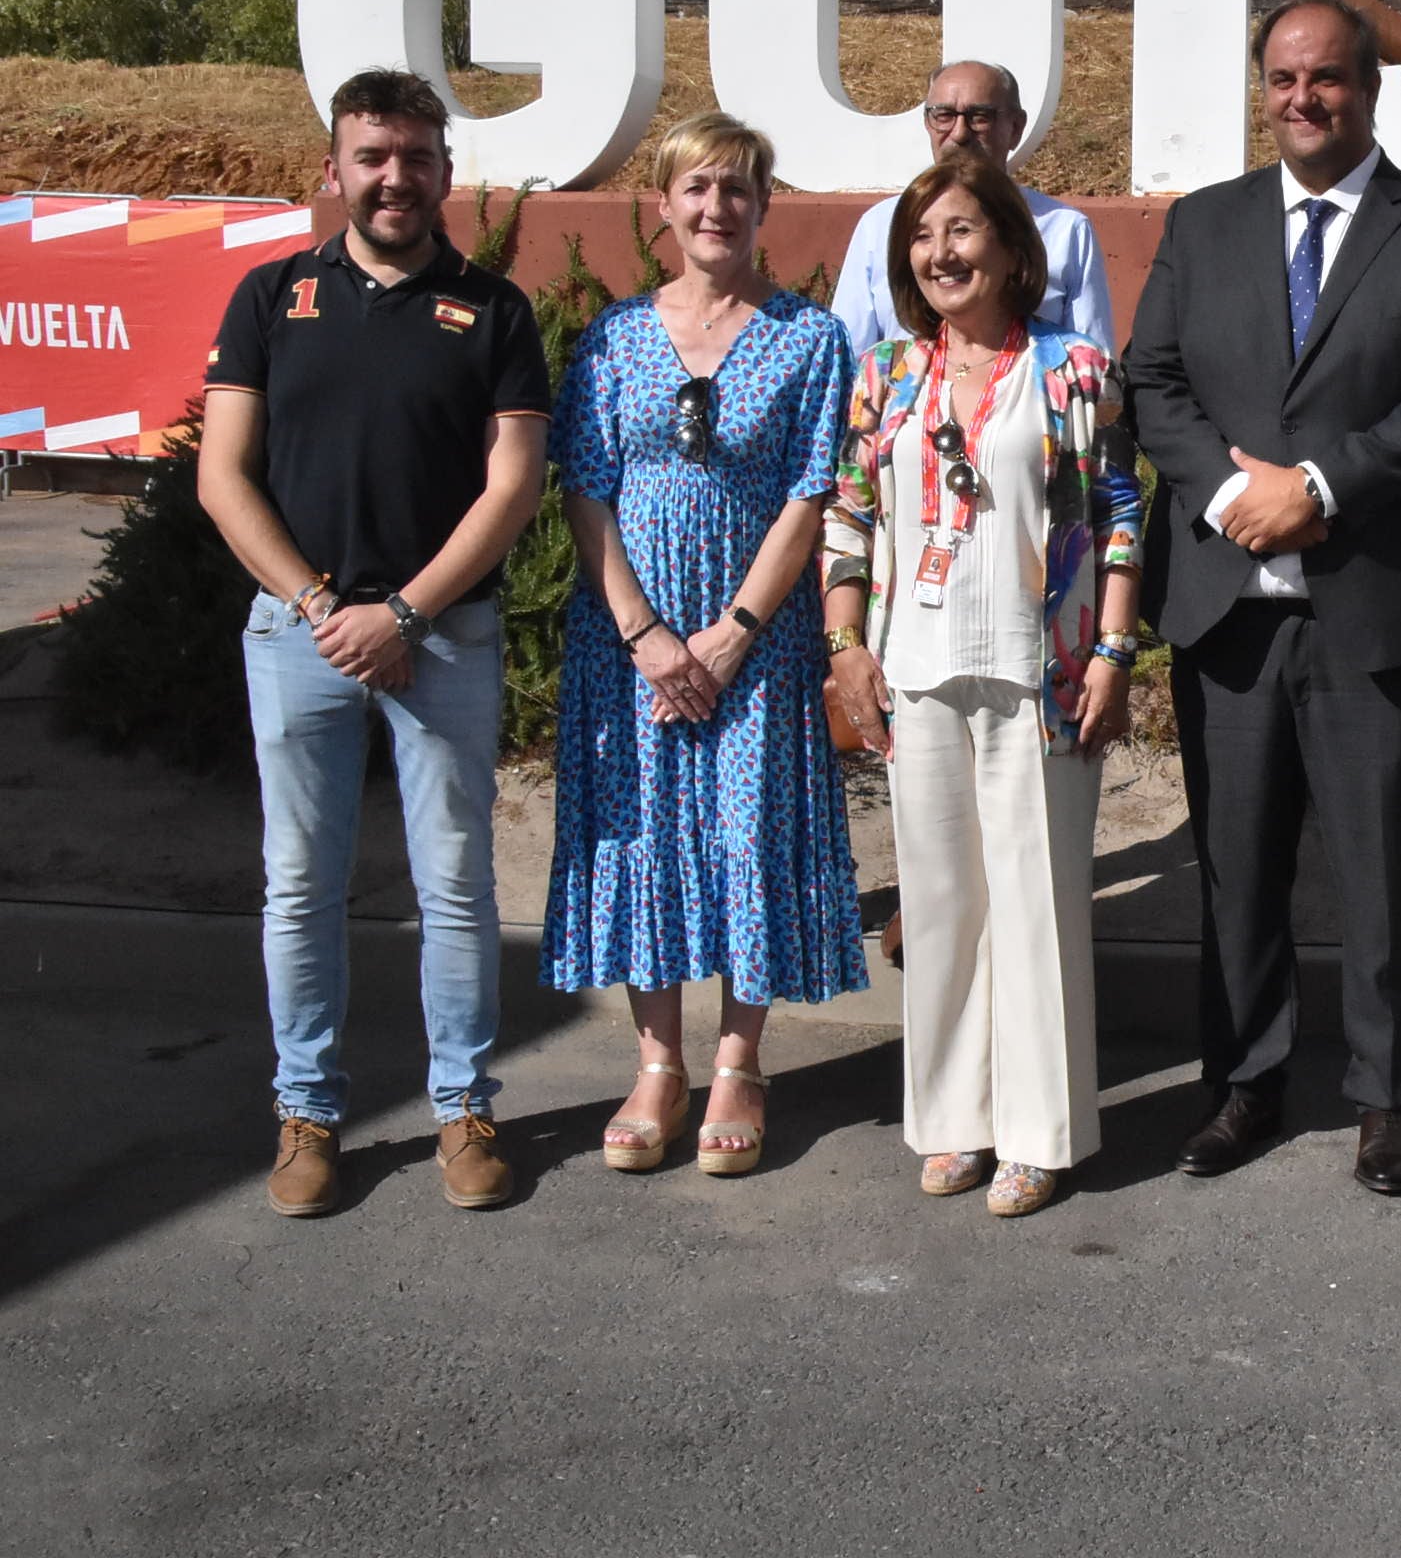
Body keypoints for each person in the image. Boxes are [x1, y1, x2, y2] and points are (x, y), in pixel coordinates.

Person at [1127, 0, 1401, 1197]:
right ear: (1265, 86)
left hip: (1381, 611)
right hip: (1229, 610)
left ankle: (1388, 1098)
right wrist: (1232, 499)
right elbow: (1155, 378)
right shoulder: (1204, 223)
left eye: (1328, 78)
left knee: (1388, 868)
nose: (1304, 98)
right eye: (1284, 78)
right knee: (1236, 865)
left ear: (1370, 86)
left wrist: (1320, 488)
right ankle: (1244, 1083)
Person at [199, 68, 551, 1217]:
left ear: (446, 172)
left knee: (454, 884)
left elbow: (512, 487)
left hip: (444, 636)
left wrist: (401, 613)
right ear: (335, 168)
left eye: (414, 156)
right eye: (372, 155)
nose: (393, 175)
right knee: (299, 884)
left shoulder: (494, 311)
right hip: (296, 632)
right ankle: (307, 1112)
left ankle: (464, 1108)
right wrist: (321, 608)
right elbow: (221, 475)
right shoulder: (268, 297)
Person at [543, 111, 866, 1178]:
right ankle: (656, 1062)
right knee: (646, 842)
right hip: (626, 638)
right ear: (666, 203)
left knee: (747, 840)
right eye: (696, 188)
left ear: (764, 205)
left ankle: (739, 1061)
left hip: (753, 642)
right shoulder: (614, 336)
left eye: (737, 189)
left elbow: (810, 496)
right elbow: (586, 490)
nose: (716, 207)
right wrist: (642, 630)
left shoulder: (809, 338)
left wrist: (731, 632)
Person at [821, 152, 1142, 1216]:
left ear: (1009, 247)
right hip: (915, 672)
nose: (938, 252)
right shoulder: (888, 376)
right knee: (945, 901)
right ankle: (955, 1118)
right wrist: (846, 645)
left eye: (960, 230)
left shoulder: (1074, 369)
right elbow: (850, 514)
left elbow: (1120, 513)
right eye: (921, 235)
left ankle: (1040, 1131)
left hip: (1039, 673)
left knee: (1036, 907)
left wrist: (1112, 651)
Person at [828, 60, 1112, 357]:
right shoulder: (880, 226)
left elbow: (1095, 366)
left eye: (979, 117)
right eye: (944, 115)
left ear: (1015, 128)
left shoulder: (1065, 230)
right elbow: (849, 358)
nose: (960, 132)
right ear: (928, 123)